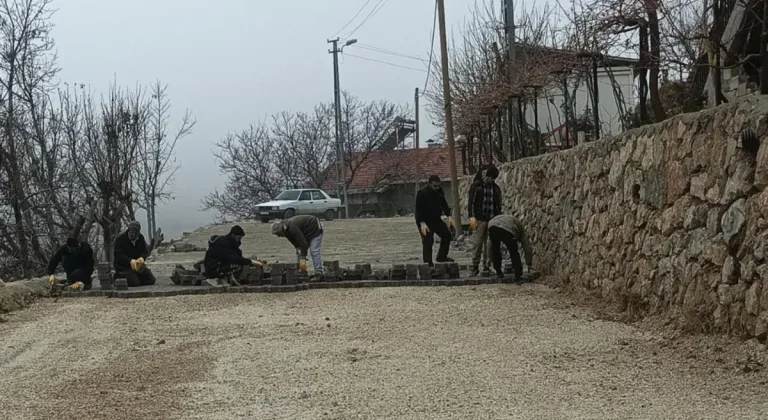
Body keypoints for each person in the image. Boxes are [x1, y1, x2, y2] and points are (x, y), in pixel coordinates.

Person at [467, 164, 502, 276]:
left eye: (494, 179)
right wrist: (471, 216)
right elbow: (471, 202)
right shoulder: (477, 186)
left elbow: (498, 204)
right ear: (486, 176)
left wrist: (497, 217)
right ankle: (474, 266)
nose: (492, 180)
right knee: (477, 243)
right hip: (479, 219)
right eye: (491, 178)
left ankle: (486, 266)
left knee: (490, 244)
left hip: (492, 219)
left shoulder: (496, 189)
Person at [415, 174, 455, 265]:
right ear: (429, 184)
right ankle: (428, 263)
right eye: (435, 186)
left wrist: (449, 216)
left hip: (436, 219)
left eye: (438, 185)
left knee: (446, 235)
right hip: (424, 221)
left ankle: (442, 256)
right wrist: (422, 223)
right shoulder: (422, 192)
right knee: (428, 240)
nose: (437, 187)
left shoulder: (439, 191)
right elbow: (418, 209)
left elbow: (443, 203)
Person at [271, 215, 324, 281]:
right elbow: (294, 241)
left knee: (314, 251)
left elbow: (303, 243)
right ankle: (302, 272)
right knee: (299, 251)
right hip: (306, 231)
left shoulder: (292, 228)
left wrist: (303, 258)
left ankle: (319, 274)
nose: (278, 236)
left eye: (278, 234)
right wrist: (298, 248)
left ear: (282, 231)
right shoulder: (286, 229)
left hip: (315, 228)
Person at [488, 214, 533, 282]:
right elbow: (527, 246)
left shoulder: (512, 221)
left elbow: (490, 245)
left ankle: (498, 272)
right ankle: (518, 276)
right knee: (514, 252)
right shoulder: (520, 228)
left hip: (492, 225)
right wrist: (529, 263)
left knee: (495, 249)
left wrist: (489, 259)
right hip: (507, 228)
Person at [114, 221, 156, 287]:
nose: (133, 235)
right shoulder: (120, 239)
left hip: (138, 265)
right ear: (128, 230)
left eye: (135, 233)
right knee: (134, 282)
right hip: (124, 267)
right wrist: (130, 261)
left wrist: (142, 258)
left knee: (151, 279)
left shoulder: (141, 238)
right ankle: (119, 277)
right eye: (132, 233)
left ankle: (135, 277)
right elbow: (118, 255)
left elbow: (145, 251)